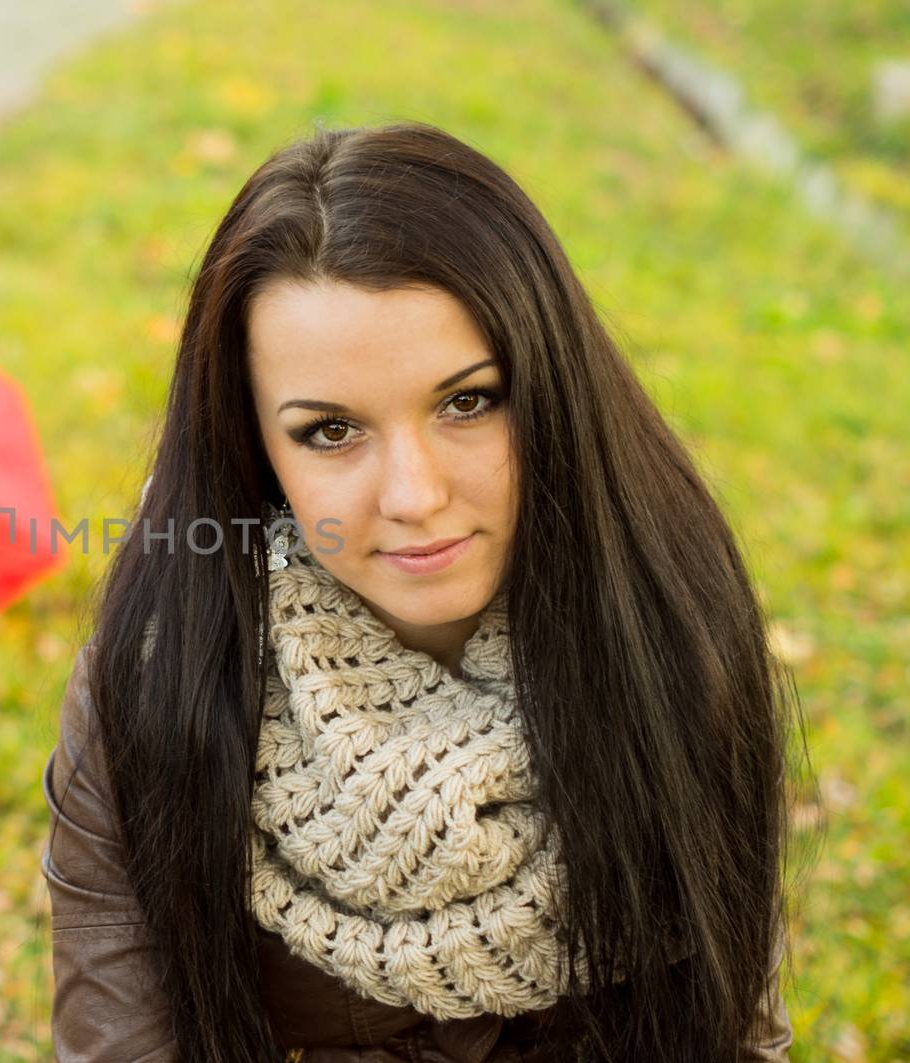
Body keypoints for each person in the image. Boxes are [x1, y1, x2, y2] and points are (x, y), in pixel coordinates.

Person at [40, 121, 804, 1061]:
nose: (415, 495)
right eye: (328, 431)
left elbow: (737, 1034)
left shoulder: (668, 638)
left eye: (468, 401)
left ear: (551, 386)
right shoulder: (157, 686)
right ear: (254, 448)